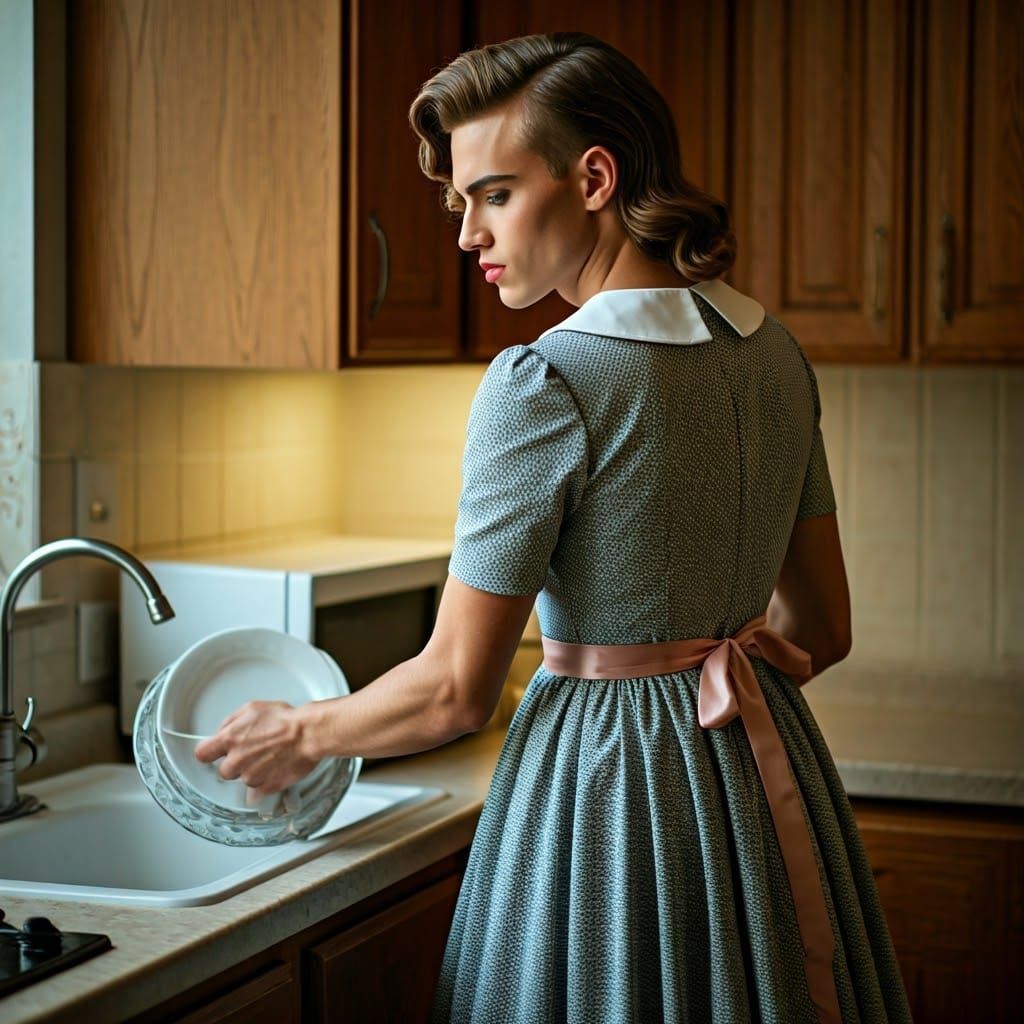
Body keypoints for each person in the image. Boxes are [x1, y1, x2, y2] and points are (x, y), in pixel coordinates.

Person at [196, 32, 913, 1024]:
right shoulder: (774, 354)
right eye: (460, 202)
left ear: (592, 177)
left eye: (493, 193)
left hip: (610, 798)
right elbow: (821, 630)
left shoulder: (546, 381)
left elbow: (454, 689)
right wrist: (700, 649)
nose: (466, 236)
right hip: (758, 775)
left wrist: (302, 729)